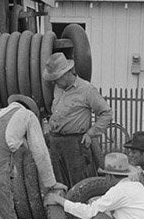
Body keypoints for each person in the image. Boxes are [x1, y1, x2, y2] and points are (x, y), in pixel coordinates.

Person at [43, 52, 112, 187]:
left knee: (80, 185)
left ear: (66, 73)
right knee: (59, 183)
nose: (54, 81)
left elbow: (106, 113)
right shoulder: (58, 88)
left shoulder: (87, 89)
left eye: (56, 77)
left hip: (76, 145)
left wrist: (91, 133)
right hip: (56, 144)